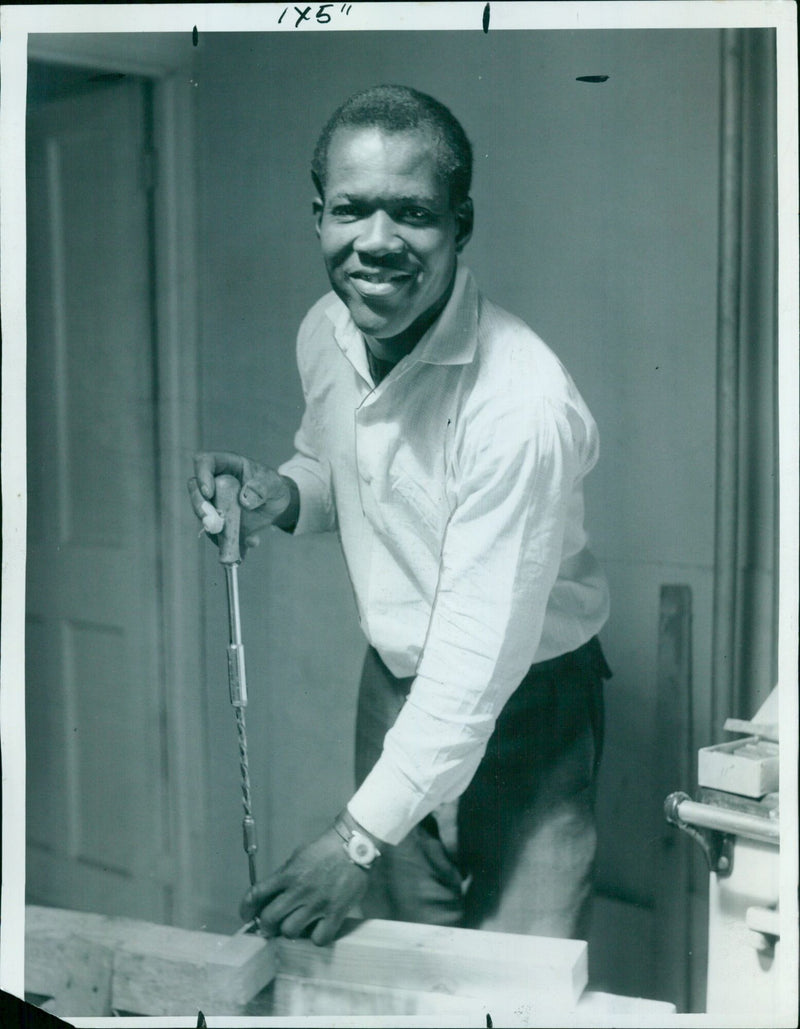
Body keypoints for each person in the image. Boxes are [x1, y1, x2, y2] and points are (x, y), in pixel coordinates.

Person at [188, 84, 611, 947]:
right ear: (319, 218)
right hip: (393, 685)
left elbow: (471, 671)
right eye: (352, 210)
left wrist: (354, 837)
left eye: (412, 213)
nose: (375, 243)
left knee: (513, 981)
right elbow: (339, 466)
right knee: (409, 972)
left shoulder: (520, 404)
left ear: (461, 224)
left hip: (527, 705)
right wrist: (285, 495)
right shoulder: (325, 329)